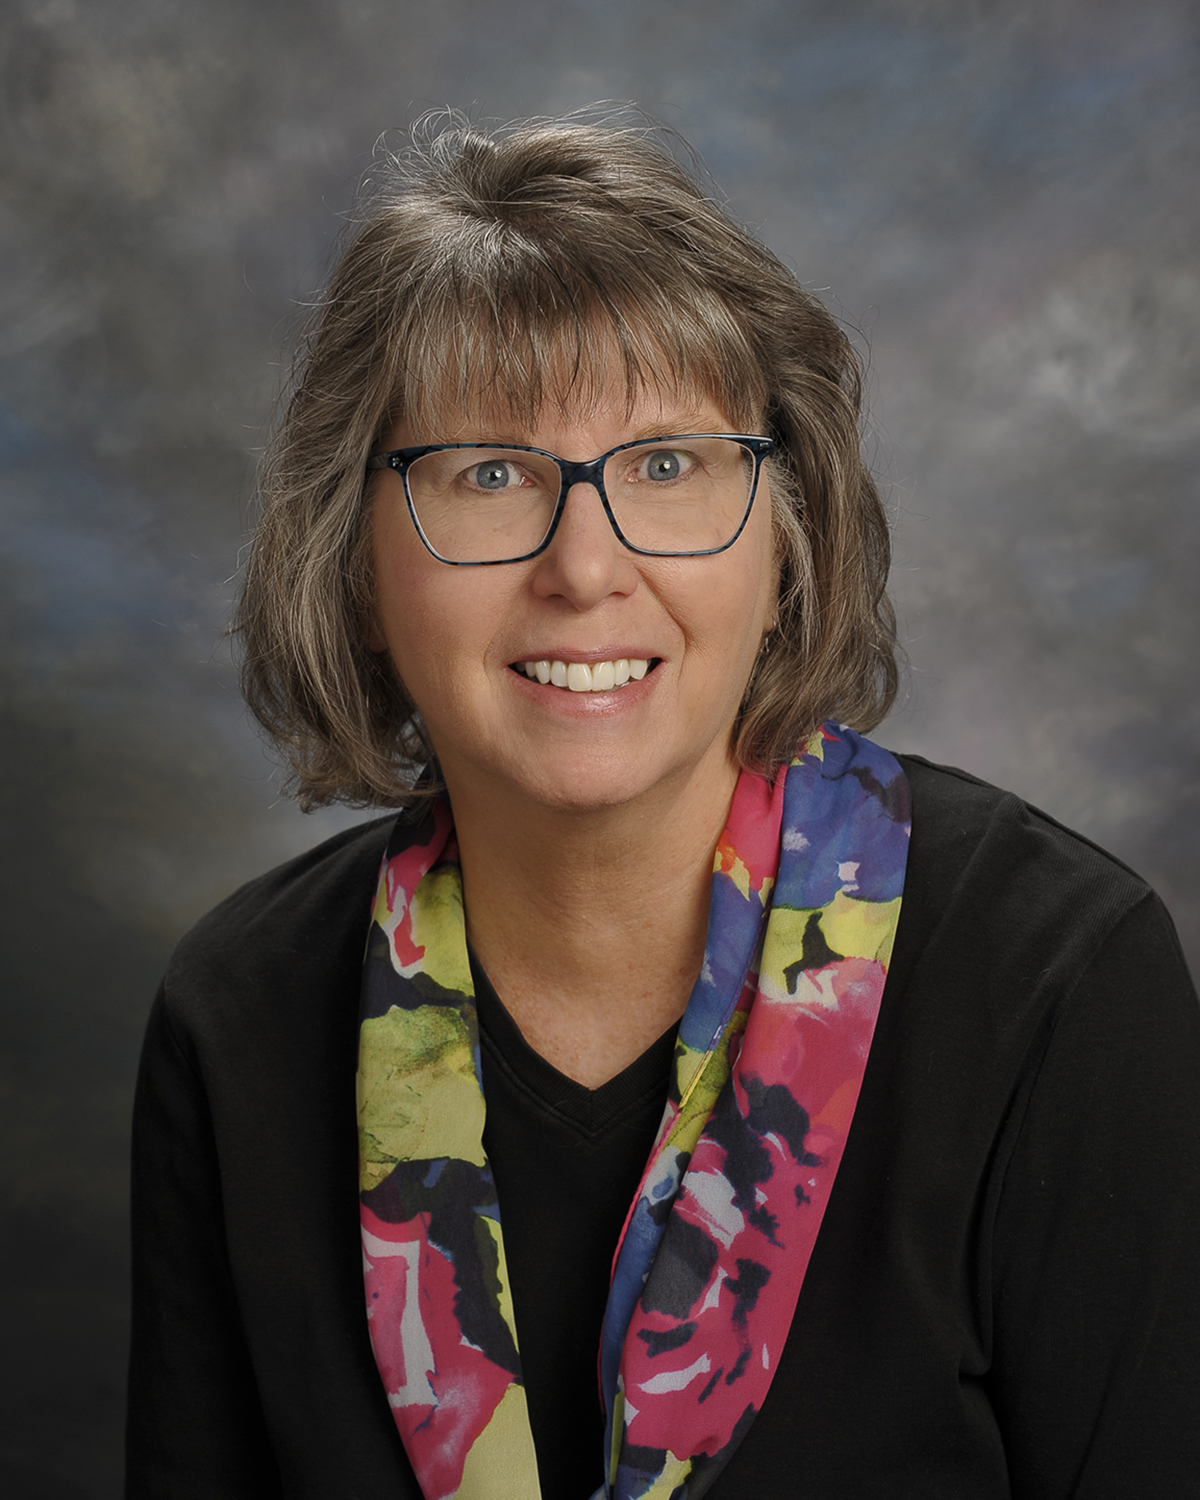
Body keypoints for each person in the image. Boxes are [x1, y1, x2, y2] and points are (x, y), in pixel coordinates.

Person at [126, 114, 1200, 1500]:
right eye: (491, 473)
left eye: (669, 466)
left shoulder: (1059, 989)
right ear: (354, 558)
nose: (585, 566)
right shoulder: (241, 1020)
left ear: (787, 539)